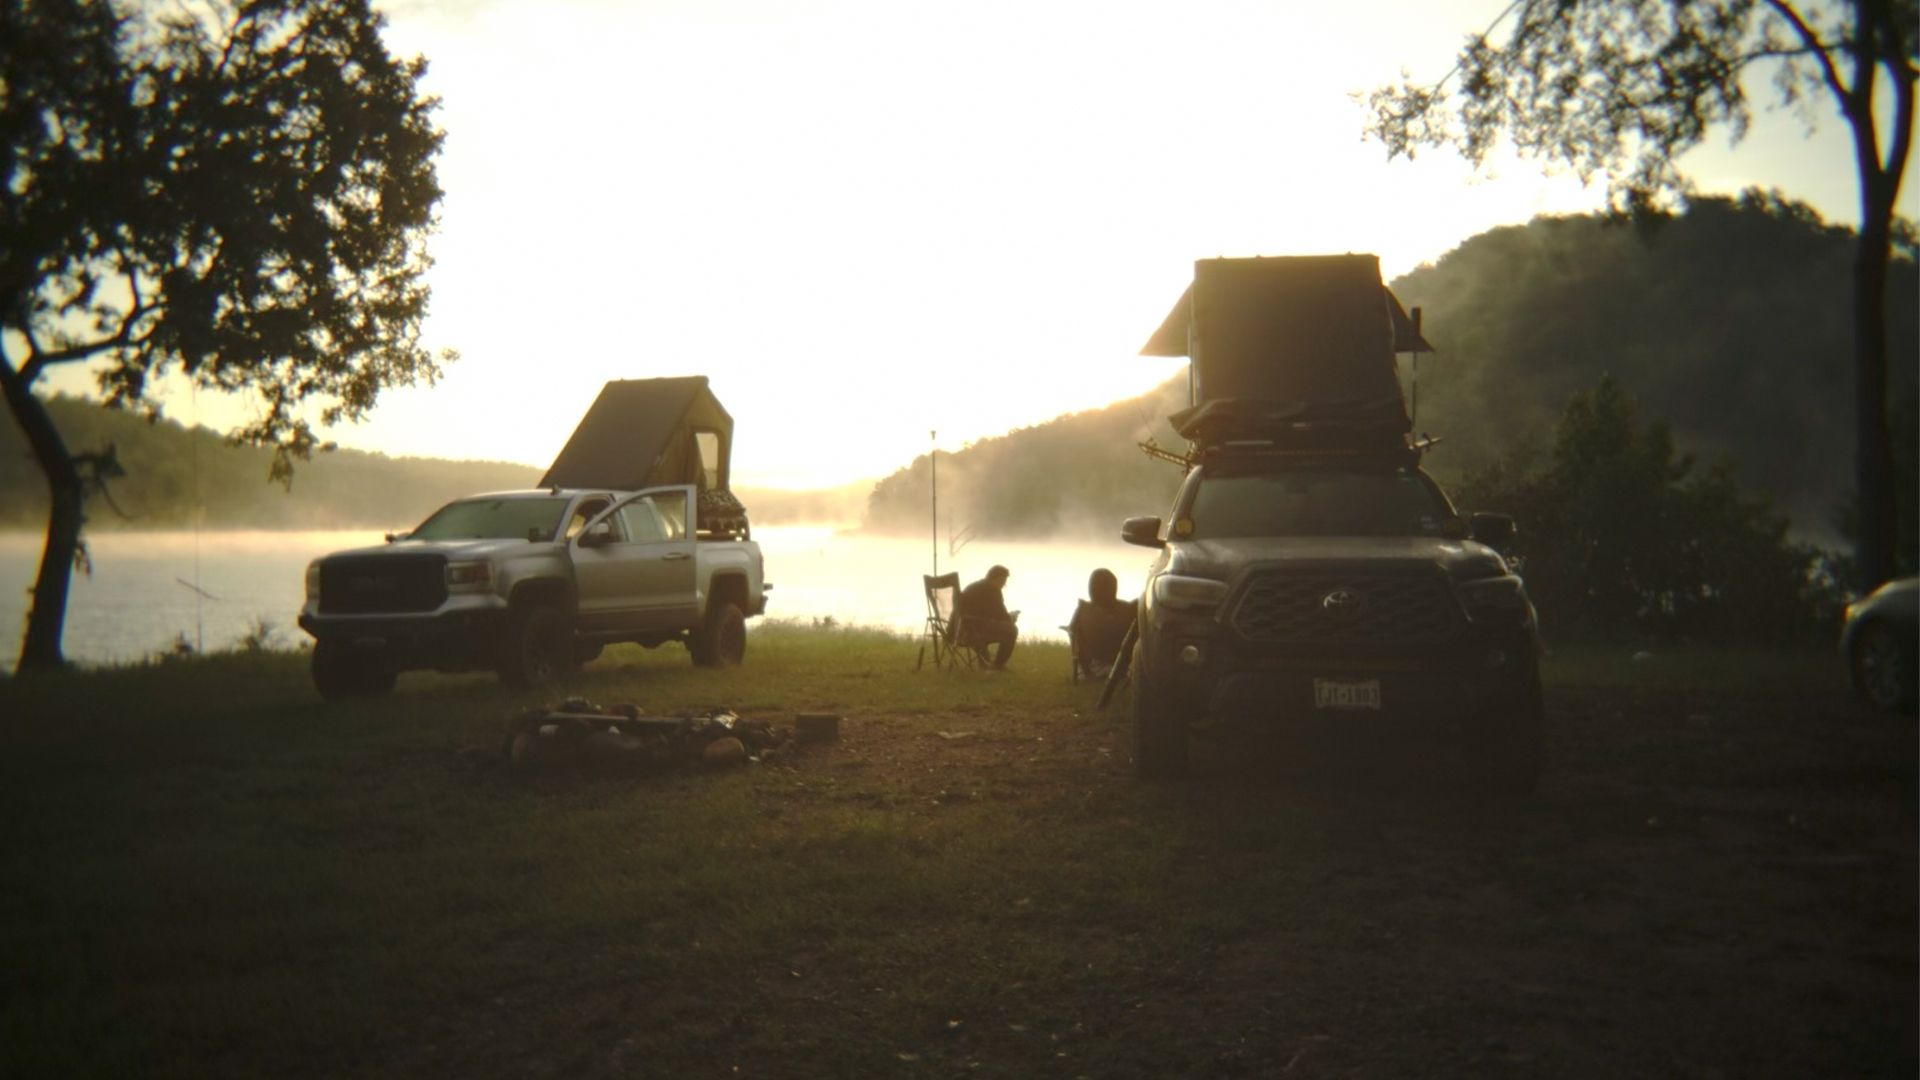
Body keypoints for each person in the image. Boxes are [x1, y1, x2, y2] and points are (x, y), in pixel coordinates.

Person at [1068, 568, 1135, 678]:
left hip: (1110, 665)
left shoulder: (1083, 611)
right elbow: (1074, 634)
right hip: (1105, 665)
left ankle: (1091, 672)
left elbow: (1074, 635)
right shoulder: (1129, 609)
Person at [958, 564, 1019, 670]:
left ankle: (985, 663)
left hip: (959, 630)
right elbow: (1001, 615)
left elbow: (992, 613)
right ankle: (998, 666)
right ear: (996, 579)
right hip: (974, 630)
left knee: (1002, 629)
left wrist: (1006, 618)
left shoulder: (974, 586)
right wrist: (1012, 618)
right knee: (1012, 630)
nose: (1003, 585)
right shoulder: (993, 590)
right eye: (1003, 581)